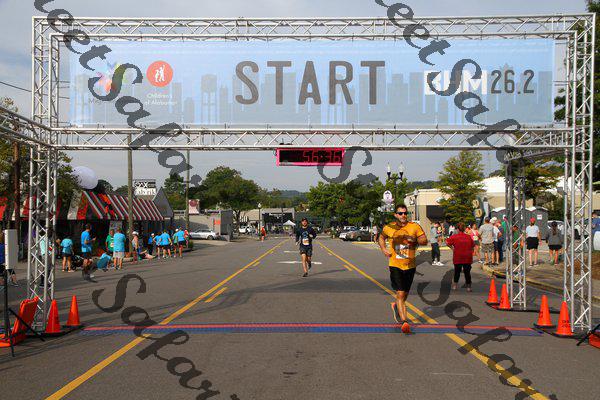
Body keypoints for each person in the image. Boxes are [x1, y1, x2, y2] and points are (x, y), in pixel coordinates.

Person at [378, 204, 428, 334]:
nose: (403, 215)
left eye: (405, 213)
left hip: (410, 266)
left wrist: (415, 240)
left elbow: (424, 240)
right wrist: (384, 249)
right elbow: (381, 237)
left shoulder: (414, 226)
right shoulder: (389, 227)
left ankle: (396, 306)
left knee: (404, 294)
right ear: (395, 215)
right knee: (400, 293)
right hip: (395, 265)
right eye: (400, 213)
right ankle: (404, 321)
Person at [446, 222, 475, 291]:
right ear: (464, 229)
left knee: (457, 271)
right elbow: (472, 245)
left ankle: (455, 286)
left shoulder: (454, 237)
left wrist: (452, 248)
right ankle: (468, 287)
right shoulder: (468, 237)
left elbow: (447, 242)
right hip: (467, 256)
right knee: (467, 272)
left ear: (458, 229)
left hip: (458, 256)